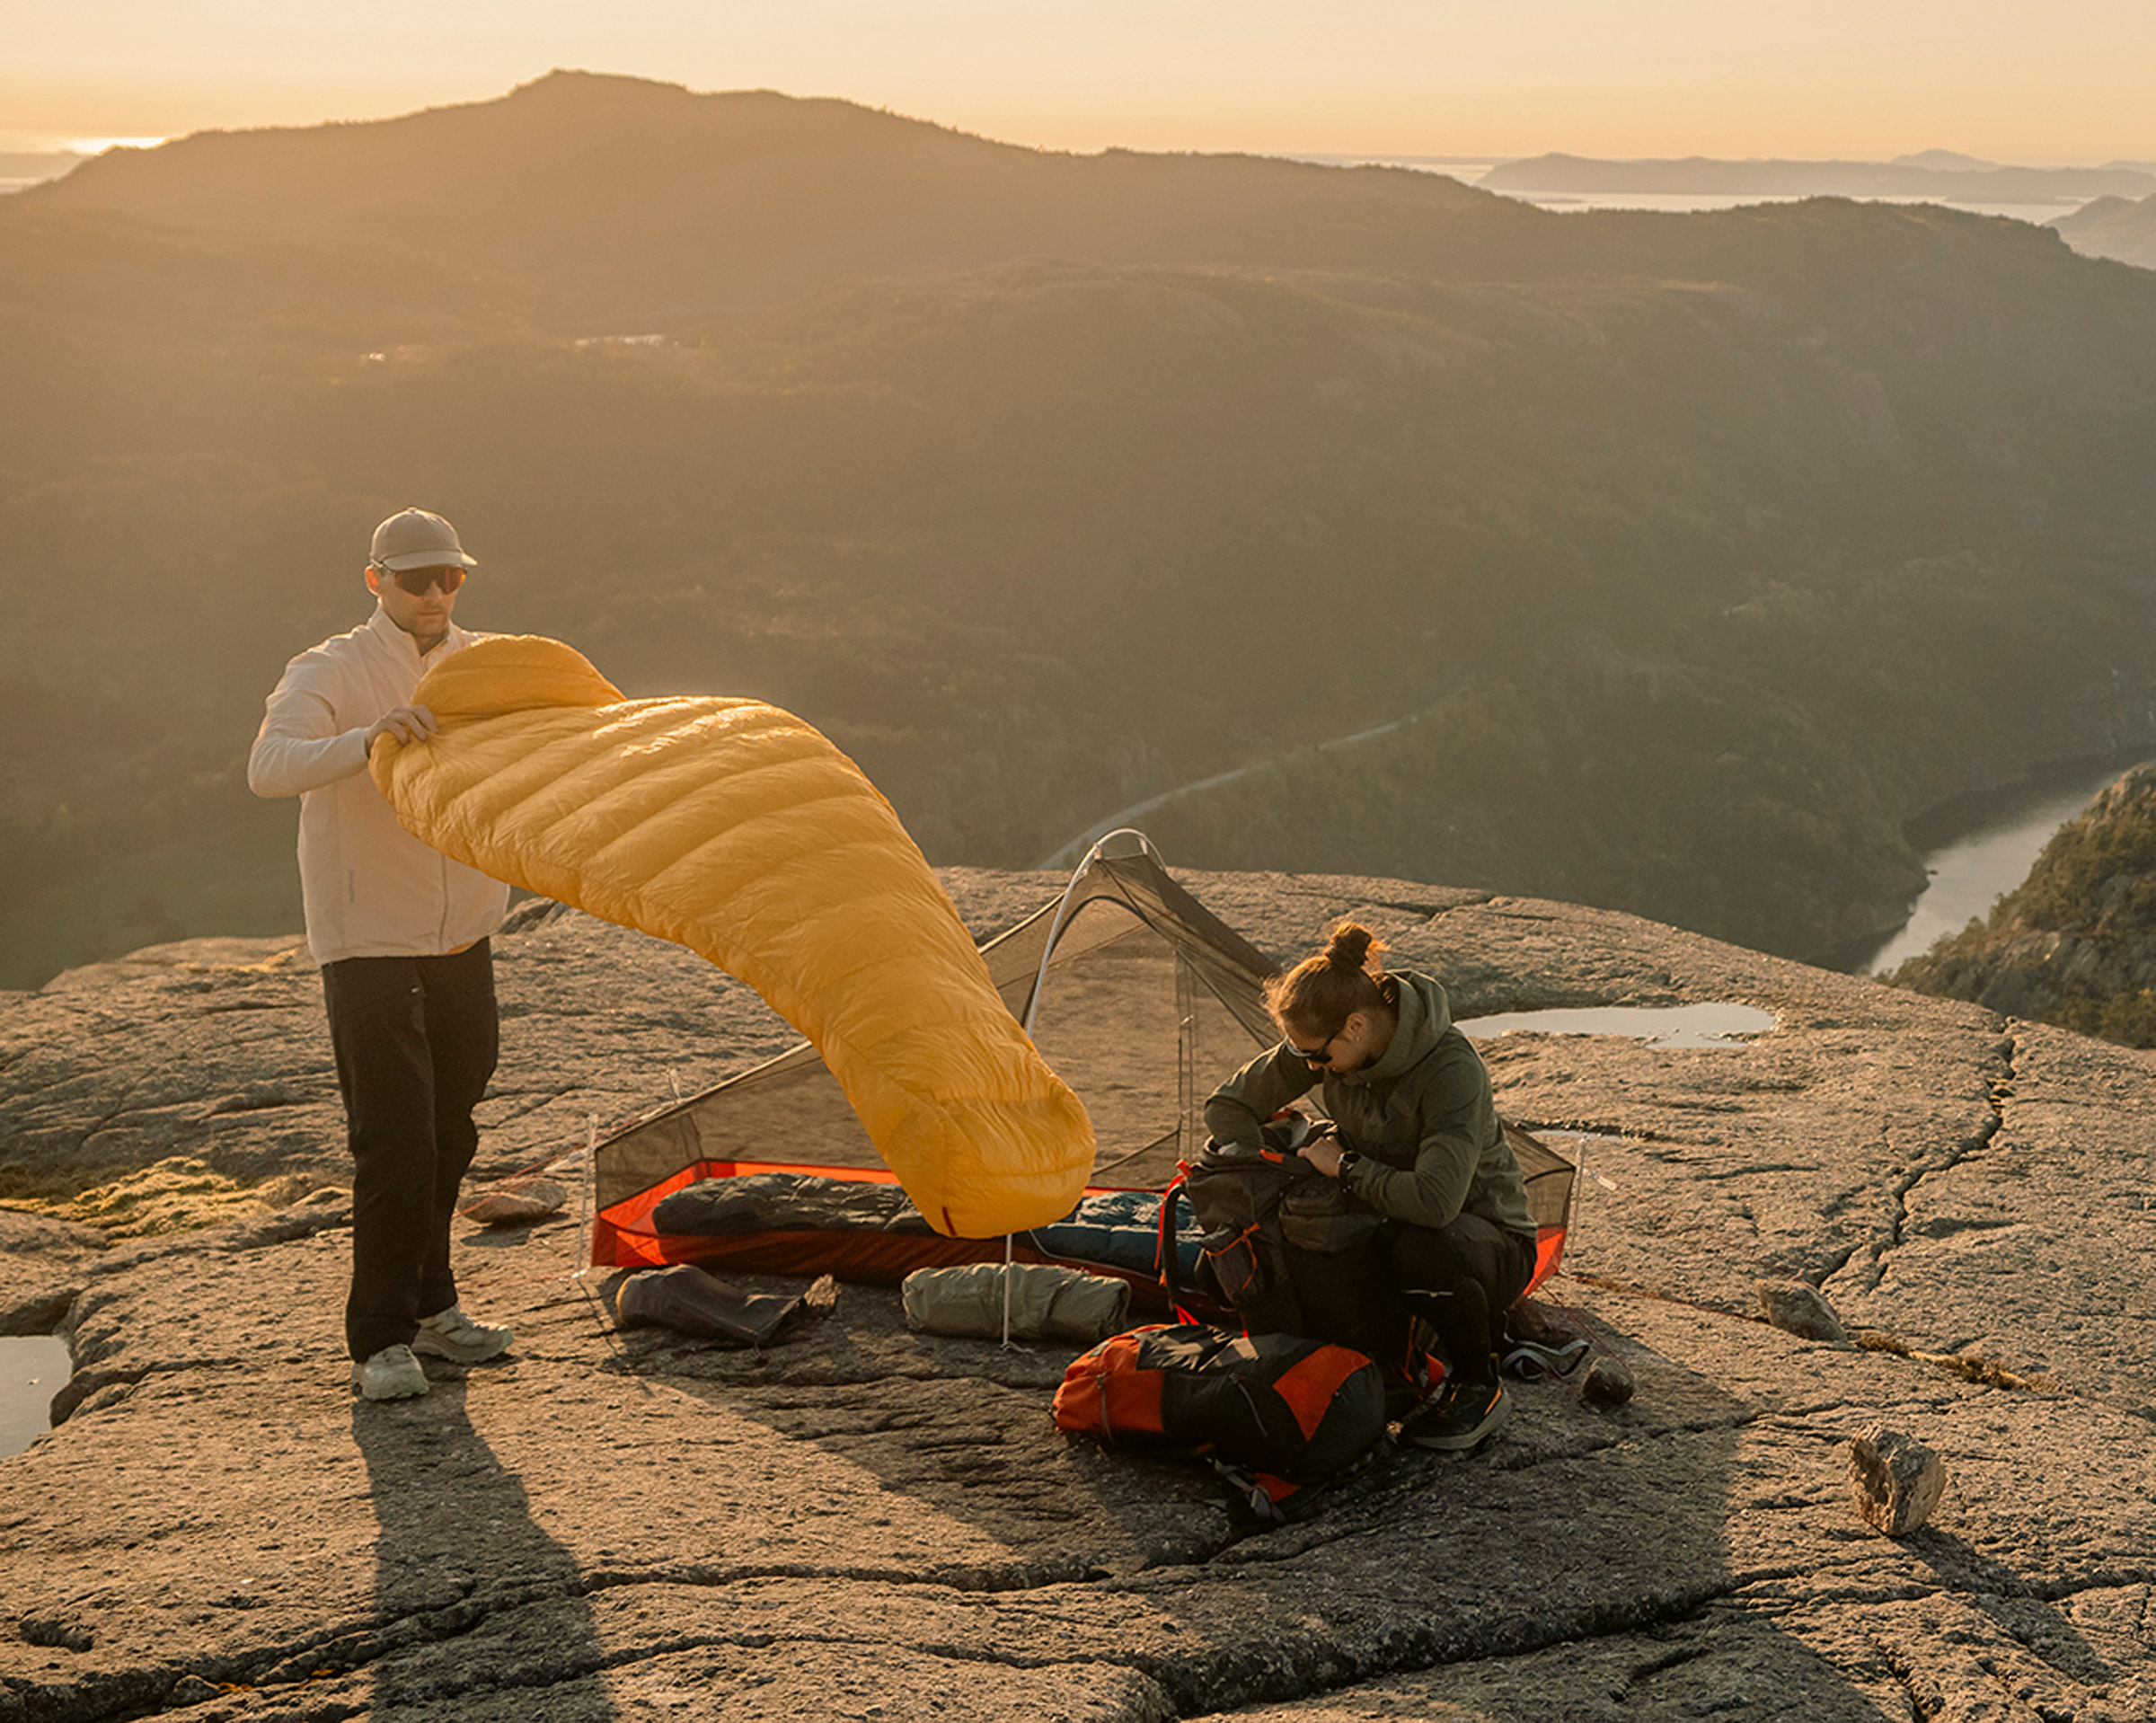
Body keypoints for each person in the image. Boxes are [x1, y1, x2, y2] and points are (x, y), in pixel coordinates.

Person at [248, 507, 515, 1401]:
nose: (437, 593)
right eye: (416, 579)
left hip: (462, 929)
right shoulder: (330, 668)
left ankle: (435, 1303)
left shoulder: (485, 662)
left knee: (453, 1124)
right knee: (396, 1138)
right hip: (366, 936)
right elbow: (270, 765)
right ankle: (379, 1340)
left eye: (451, 577)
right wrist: (370, 740)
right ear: (376, 582)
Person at [1203, 921, 1537, 1451]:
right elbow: (1227, 1105)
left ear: (1355, 1026)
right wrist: (1262, 1164)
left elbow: (1435, 1202)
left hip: (1481, 1240)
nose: (1311, 1066)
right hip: (1387, 1214)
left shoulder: (1450, 1070)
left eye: (1317, 1056)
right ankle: (1389, 1373)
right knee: (1309, 1232)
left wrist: (1347, 1169)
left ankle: (1479, 1384)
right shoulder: (1329, 1041)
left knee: (1420, 1252)